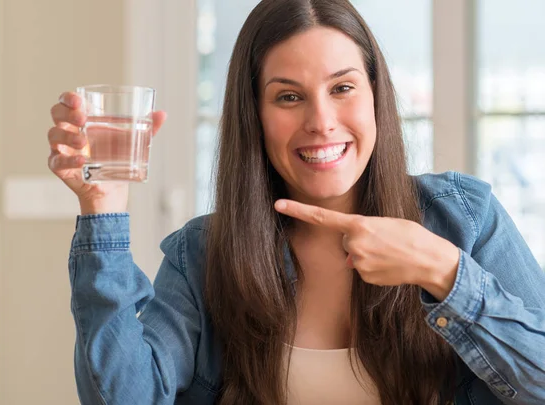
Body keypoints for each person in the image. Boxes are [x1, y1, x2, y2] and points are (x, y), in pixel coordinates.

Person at [46, 1, 545, 404]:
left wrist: (444, 270)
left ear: (376, 95)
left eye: (343, 87)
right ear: (255, 115)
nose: (322, 121)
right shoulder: (202, 255)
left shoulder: (464, 219)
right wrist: (103, 210)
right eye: (289, 97)